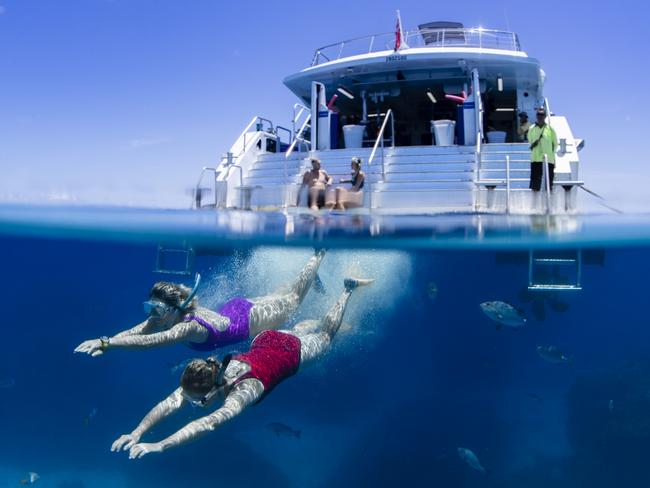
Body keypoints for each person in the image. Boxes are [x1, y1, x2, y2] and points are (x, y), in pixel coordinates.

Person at [110, 277, 373, 459]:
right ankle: (307, 325)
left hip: (289, 352)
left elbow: (209, 424)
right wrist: (136, 433)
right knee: (296, 331)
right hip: (266, 338)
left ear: (210, 391)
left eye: (198, 402)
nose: (196, 405)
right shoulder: (209, 370)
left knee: (326, 337)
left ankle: (347, 289)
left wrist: (160, 446)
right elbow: (169, 403)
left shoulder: (243, 391)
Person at [74, 251, 325, 356]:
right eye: (149, 308)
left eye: (157, 310)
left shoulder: (187, 327)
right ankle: (308, 275)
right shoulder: (166, 316)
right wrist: (106, 342)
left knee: (292, 301)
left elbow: (149, 341)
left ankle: (319, 254)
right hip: (236, 309)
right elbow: (137, 331)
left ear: (174, 309)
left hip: (249, 319)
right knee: (280, 296)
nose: (153, 315)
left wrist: (108, 343)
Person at [527, 107, 558, 192]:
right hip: (536, 159)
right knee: (535, 184)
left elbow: (555, 144)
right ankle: (535, 203)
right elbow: (530, 140)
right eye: (538, 114)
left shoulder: (550, 129)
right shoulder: (531, 129)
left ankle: (549, 202)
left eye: (542, 115)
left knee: (548, 183)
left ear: (545, 116)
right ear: (536, 116)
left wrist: (551, 154)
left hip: (548, 160)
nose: (540, 116)